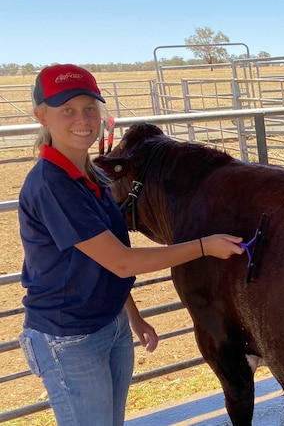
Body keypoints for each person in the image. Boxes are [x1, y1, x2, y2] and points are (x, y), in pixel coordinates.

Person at [17, 64, 245, 426]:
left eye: (90, 108)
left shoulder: (92, 175)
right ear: (41, 115)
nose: (83, 119)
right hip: (69, 337)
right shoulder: (52, 184)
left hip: (109, 323)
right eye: (67, 110)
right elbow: (122, 262)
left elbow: (105, 260)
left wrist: (132, 317)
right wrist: (204, 246)